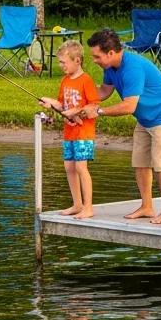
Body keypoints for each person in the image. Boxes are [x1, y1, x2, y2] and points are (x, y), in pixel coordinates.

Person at [80, 27, 161, 225]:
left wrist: (99, 111)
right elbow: (103, 91)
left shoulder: (132, 68)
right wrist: (79, 97)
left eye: (97, 56)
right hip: (145, 118)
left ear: (110, 53)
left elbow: (129, 106)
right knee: (140, 162)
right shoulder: (110, 68)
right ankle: (147, 207)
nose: (94, 60)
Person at [39, 40, 101, 218]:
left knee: (82, 167)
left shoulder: (86, 80)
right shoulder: (65, 81)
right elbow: (62, 105)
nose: (61, 66)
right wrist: (50, 103)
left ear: (77, 61)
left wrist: (77, 112)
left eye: (64, 62)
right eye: (60, 62)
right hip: (69, 133)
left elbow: (94, 106)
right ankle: (77, 204)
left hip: (84, 133)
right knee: (69, 167)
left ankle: (88, 207)